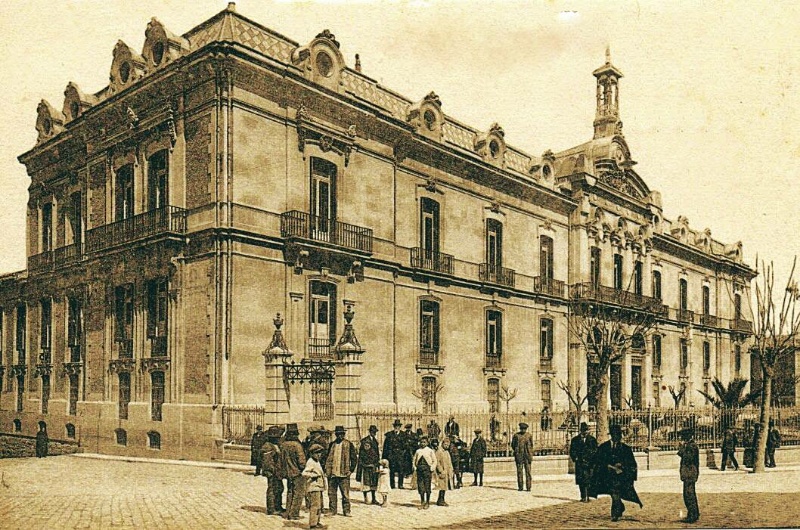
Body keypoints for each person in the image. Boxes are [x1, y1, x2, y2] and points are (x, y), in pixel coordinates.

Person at [589, 424, 642, 522]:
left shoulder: (626, 449)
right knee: (614, 493)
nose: (617, 437)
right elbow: (597, 460)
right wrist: (608, 466)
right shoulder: (603, 447)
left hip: (620, 476)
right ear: (612, 435)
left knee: (615, 493)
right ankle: (619, 507)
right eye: (615, 435)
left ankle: (615, 513)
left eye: (618, 435)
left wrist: (622, 466)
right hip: (607, 476)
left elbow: (632, 463)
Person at [324, 425, 357, 517]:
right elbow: (326, 457)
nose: (340, 436)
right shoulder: (332, 444)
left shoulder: (349, 444)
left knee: (345, 494)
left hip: (344, 474)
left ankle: (346, 511)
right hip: (332, 474)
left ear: (344, 434)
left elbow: (354, 458)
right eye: (338, 434)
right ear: (335, 434)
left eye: (342, 434)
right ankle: (332, 510)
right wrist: (326, 470)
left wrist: (351, 470)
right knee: (331, 493)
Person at [280, 423, 307, 521]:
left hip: (287, 473)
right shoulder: (297, 445)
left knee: (290, 492)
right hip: (297, 473)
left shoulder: (283, 445)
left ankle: (287, 512)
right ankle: (294, 514)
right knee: (298, 493)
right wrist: (303, 469)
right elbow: (302, 462)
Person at [569, 422, 598, 502]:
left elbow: (596, 451)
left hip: (589, 463)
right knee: (581, 480)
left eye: (586, 430)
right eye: (583, 431)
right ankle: (583, 496)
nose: (585, 432)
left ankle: (588, 496)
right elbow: (572, 451)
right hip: (580, 463)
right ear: (580, 431)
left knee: (588, 480)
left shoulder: (592, 440)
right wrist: (576, 458)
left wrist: (593, 460)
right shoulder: (575, 440)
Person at [262, 425, 285, 516]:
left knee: (279, 488)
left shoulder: (276, 445)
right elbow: (267, 462)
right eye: (277, 437)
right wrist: (272, 471)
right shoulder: (267, 446)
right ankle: (271, 509)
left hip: (277, 471)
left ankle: (278, 506)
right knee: (272, 489)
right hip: (272, 472)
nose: (278, 438)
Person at [678, 428, 700, 523]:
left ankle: (693, 515)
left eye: (683, 436)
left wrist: (681, 448)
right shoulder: (690, 445)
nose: (681, 438)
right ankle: (694, 513)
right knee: (689, 494)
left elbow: (688, 458)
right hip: (689, 472)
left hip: (690, 472)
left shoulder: (691, 446)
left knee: (688, 495)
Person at [302, 444, 327, 529]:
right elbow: (304, 473)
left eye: (320, 453)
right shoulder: (310, 462)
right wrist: (313, 475)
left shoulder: (316, 461)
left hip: (318, 487)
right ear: (312, 453)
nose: (319, 455)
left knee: (319, 506)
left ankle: (317, 522)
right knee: (315, 506)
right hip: (313, 487)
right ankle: (313, 524)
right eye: (317, 453)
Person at [356, 425, 381, 505]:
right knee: (366, 482)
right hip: (366, 465)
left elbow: (377, 453)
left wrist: (377, 463)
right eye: (373, 432)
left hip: (373, 464)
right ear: (370, 432)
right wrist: (364, 464)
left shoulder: (375, 441)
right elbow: (362, 454)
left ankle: (374, 498)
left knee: (373, 482)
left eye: (375, 432)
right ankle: (366, 498)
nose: (374, 433)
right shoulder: (365, 441)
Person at [413, 435, 437, 509]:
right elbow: (414, 461)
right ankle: (422, 501)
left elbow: (434, 461)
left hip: (427, 470)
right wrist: (415, 467)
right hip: (419, 470)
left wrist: (431, 468)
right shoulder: (418, 451)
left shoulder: (430, 451)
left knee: (427, 486)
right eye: (421, 442)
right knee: (421, 486)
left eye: (424, 442)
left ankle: (427, 502)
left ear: (427, 443)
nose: (423, 443)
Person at [382, 419, 407, 489]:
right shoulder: (389, 435)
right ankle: (392, 484)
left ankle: (400, 484)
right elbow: (385, 447)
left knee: (401, 470)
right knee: (392, 470)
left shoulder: (403, 435)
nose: (397, 427)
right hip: (391, 455)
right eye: (395, 426)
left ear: (400, 427)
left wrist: (403, 454)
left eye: (398, 426)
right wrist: (385, 457)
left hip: (400, 455)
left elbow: (406, 446)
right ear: (394, 427)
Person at [511, 422, 534, 491]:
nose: (523, 430)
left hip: (527, 456)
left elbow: (531, 445)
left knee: (528, 472)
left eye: (524, 429)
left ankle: (528, 487)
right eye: (522, 429)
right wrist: (517, 451)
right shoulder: (516, 436)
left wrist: (529, 453)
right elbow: (513, 445)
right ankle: (520, 487)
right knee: (519, 472)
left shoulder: (529, 435)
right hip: (519, 456)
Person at [435, 437, 455, 506]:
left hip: (447, 471)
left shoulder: (447, 452)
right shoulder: (439, 451)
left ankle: (441, 499)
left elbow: (449, 462)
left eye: (448, 445)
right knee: (442, 486)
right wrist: (440, 470)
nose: (446, 446)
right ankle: (440, 500)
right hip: (442, 472)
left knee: (445, 487)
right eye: (445, 444)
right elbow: (437, 462)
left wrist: (451, 469)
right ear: (442, 444)